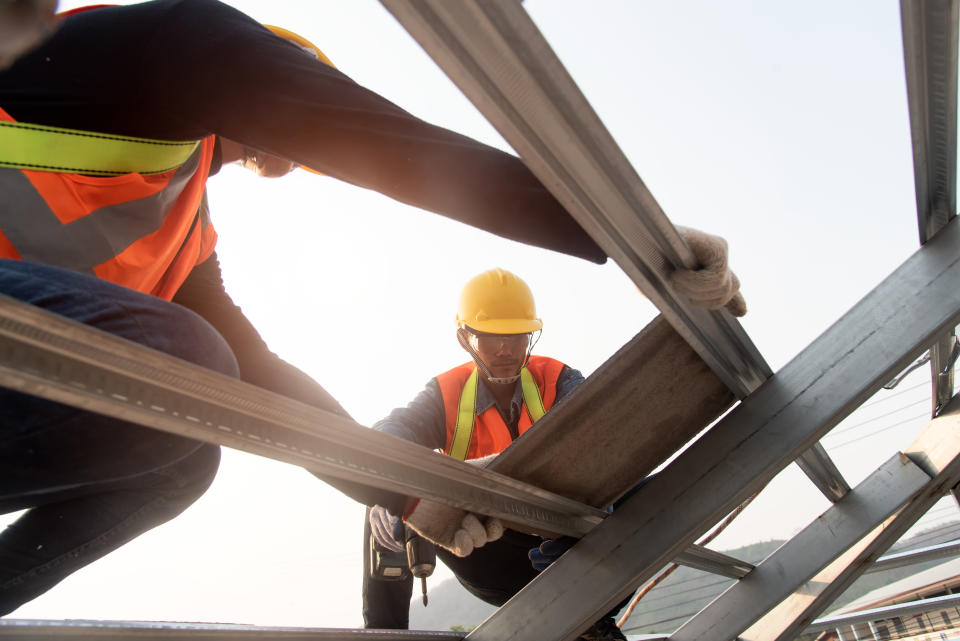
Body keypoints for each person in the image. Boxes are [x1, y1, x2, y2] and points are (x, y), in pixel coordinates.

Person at [0, 0, 745, 615]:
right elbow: (373, 138)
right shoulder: (161, 43)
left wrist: (417, 495)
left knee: (186, 449)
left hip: (25, 363)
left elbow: (260, 380)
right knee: (186, 361)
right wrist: (621, 231)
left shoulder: (183, 228)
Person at [362, 268, 634, 640]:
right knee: (383, 499)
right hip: (487, 548)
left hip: (569, 542)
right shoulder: (446, 394)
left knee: (647, 489)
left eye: (516, 335)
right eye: (490, 336)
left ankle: (592, 621)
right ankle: (382, 634)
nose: (506, 348)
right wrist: (386, 489)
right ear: (465, 339)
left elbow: (608, 440)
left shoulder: (559, 380)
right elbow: (387, 435)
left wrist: (597, 514)